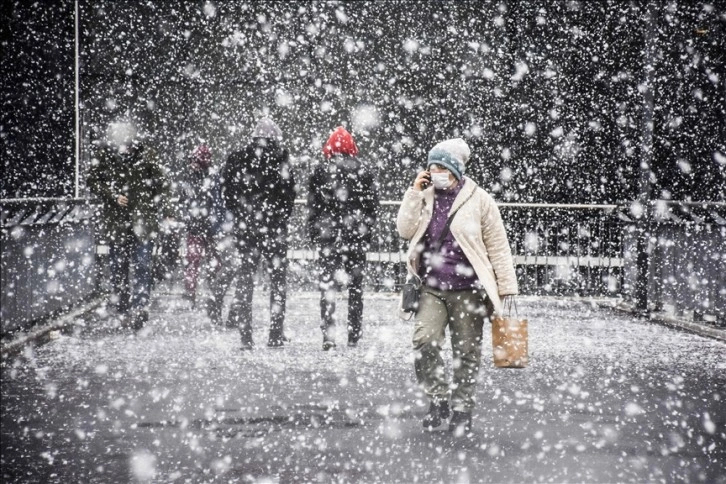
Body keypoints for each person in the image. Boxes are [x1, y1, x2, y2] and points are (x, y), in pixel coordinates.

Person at [396, 138, 518, 435]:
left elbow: (498, 246)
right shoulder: (424, 196)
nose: (435, 172)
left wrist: (507, 288)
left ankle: (462, 409)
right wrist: (414, 192)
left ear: (455, 169)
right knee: (424, 341)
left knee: (466, 351)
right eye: (431, 167)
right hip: (431, 287)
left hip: (468, 289)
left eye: (440, 167)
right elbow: (404, 229)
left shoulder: (479, 199)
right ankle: (438, 398)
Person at [212, 117, 296, 349]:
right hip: (273, 229)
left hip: (246, 229)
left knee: (245, 278)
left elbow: (226, 191)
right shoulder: (281, 160)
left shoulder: (237, 158)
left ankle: (246, 337)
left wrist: (241, 215)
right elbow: (289, 196)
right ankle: (275, 333)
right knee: (277, 281)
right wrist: (277, 218)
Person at [88, 121, 173, 330]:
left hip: (141, 221)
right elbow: (92, 181)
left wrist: (165, 210)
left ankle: (139, 307)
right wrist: (112, 195)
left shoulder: (147, 156)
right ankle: (125, 308)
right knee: (119, 267)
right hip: (118, 222)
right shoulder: (105, 156)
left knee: (142, 265)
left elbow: (163, 184)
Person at [307, 126, 380, 350]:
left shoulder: (320, 171)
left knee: (327, 287)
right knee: (356, 288)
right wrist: (365, 231)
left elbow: (313, 206)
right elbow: (372, 207)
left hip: (329, 237)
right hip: (355, 237)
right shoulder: (364, 170)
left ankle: (328, 335)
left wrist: (314, 232)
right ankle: (353, 334)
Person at [179, 144, 222, 307]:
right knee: (194, 260)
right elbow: (186, 198)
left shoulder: (211, 177)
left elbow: (217, 201)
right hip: (199, 225)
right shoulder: (201, 177)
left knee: (205, 261)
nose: (192, 164)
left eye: (195, 161)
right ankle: (194, 292)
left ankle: (207, 289)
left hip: (206, 226)